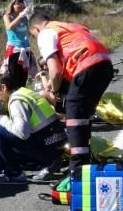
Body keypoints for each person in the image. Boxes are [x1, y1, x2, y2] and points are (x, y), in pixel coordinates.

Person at [28, 13, 114, 175]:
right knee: (83, 116)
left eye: (34, 35)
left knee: (74, 117)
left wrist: (55, 92)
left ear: (36, 29)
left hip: (86, 65)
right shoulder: (68, 26)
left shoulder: (45, 33)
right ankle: (85, 161)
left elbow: (55, 71)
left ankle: (78, 169)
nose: (36, 38)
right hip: (104, 65)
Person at [0, 72, 67, 183]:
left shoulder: (16, 101)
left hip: (49, 148)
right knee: (9, 141)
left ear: (3, 88)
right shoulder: (25, 93)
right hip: (57, 144)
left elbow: (22, 133)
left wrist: (1, 120)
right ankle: (47, 163)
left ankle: (14, 174)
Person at [1, 0, 36, 87]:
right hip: (14, 50)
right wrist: (20, 16)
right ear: (13, 5)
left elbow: (30, 31)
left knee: (24, 77)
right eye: (18, 5)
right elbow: (9, 27)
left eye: (22, 6)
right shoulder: (7, 16)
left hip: (25, 49)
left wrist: (31, 17)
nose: (20, 7)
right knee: (14, 77)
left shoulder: (25, 17)